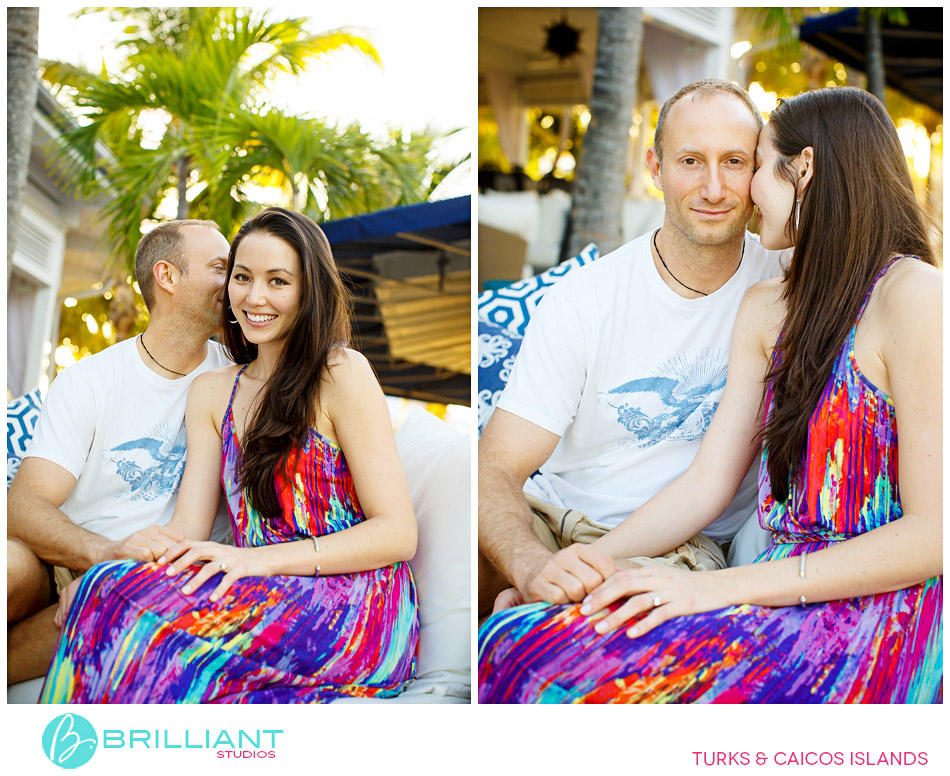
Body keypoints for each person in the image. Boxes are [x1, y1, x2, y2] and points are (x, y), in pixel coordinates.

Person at [479, 86, 942, 703]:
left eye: (748, 164)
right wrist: (570, 576)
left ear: (802, 170)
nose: (729, 191)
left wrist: (716, 588)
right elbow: (708, 481)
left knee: (540, 659)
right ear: (658, 167)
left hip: (875, 608)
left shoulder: (915, 296)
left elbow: (936, 532)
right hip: (766, 586)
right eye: (692, 161)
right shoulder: (771, 305)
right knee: (512, 638)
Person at [41, 207, 419, 703]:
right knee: (106, 591)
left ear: (309, 290)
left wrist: (257, 561)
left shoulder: (340, 373)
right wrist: (109, 575)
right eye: (242, 277)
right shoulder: (212, 392)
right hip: (250, 587)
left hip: (355, 604)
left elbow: (397, 532)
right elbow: (188, 531)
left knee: (128, 616)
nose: (254, 297)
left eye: (278, 281)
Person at [479, 79, 789, 617]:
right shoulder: (584, 299)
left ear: (760, 171)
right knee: (463, 547)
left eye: (735, 162)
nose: (714, 188)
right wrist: (529, 567)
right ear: (655, 167)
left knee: (577, 633)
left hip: (682, 549)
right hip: (557, 520)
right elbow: (496, 466)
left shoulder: (786, 283)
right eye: (690, 161)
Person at [7, 219, 233, 685]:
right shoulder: (91, 382)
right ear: (167, 276)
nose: (234, 284)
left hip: (157, 578)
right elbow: (23, 506)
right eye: (220, 268)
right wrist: (104, 555)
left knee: (117, 601)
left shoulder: (238, 379)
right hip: (71, 558)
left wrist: (111, 577)